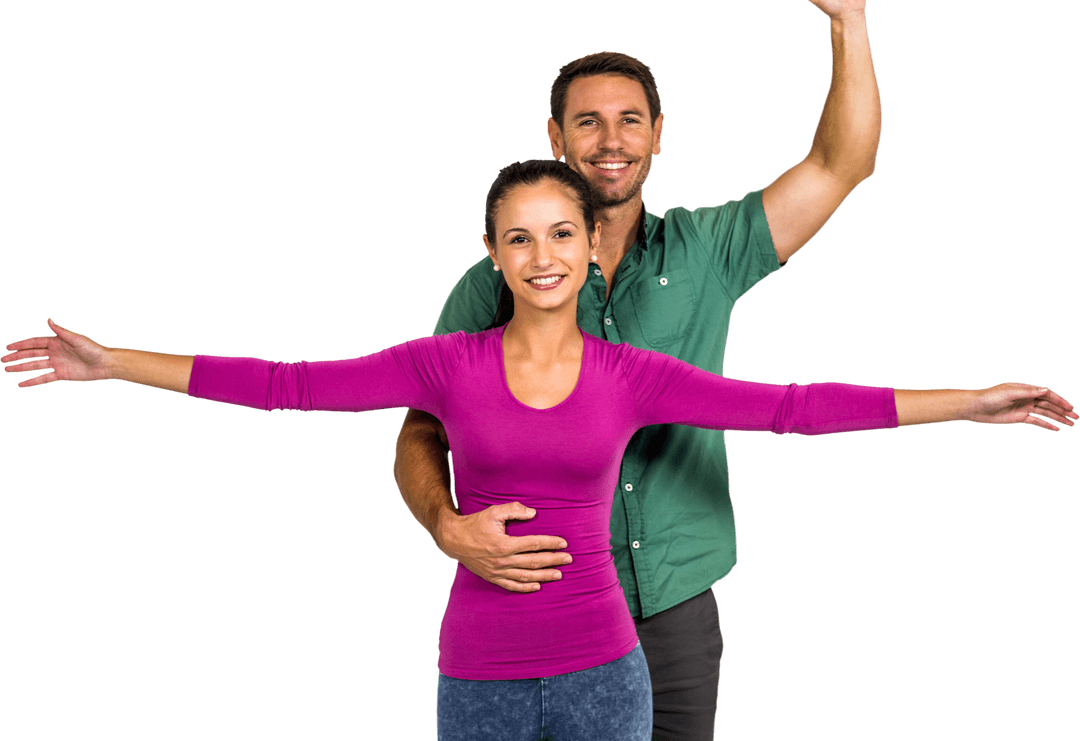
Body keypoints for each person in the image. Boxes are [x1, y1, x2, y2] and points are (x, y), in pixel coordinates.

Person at [5, 160, 1075, 741]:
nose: (542, 254)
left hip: (607, 674)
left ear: (586, 242)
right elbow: (289, 384)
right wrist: (116, 366)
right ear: (493, 252)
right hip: (477, 676)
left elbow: (792, 407)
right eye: (518, 236)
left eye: (561, 232)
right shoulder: (445, 361)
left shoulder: (632, 377)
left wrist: (967, 401)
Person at [395, 0, 882, 738]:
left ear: (659, 136)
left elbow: (839, 165)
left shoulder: (709, 249)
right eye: (587, 121)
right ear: (555, 137)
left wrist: (847, 20)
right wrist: (446, 524)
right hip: (537, 605)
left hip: (674, 606)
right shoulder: (499, 280)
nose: (609, 140)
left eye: (630, 119)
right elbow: (421, 425)